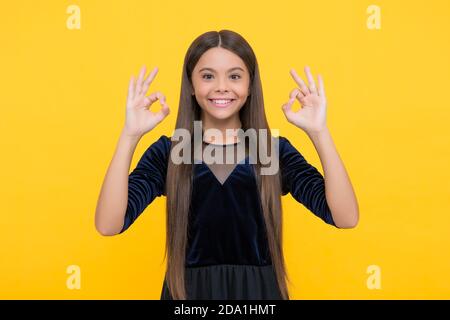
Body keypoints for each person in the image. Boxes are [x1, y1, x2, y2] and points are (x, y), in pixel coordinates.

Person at [94, 30, 359, 300]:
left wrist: (319, 132)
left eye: (234, 76)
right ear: (191, 84)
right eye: (208, 76)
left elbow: (346, 218)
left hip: (260, 295)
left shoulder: (269, 151)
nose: (221, 86)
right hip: (188, 295)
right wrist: (130, 135)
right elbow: (108, 224)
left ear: (250, 85)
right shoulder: (171, 151)